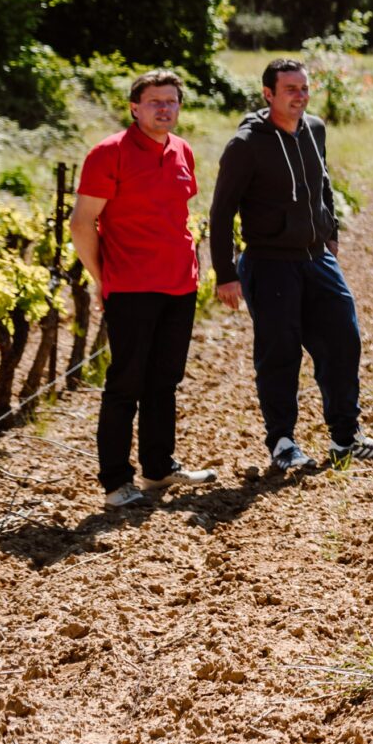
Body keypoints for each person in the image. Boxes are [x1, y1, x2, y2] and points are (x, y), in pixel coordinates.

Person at [209, 57, 373, 472]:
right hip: (269, 263)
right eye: (290, 89)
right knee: (280, 353)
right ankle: (283, 442)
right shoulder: (246, 145)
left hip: (316, 258)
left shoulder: (316, 129)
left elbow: (323, 181)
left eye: (304, 88)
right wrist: (226, 273)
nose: (300, 96)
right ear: (268, 94)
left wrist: (331, 232)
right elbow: (221, 212)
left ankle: (346, 438)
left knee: (344, 340)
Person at [72, 70, 216, 507]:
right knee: (125, 382)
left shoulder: (182, 152)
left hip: (179, 285)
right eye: (155, 101)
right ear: (134, 107)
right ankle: (116, 482)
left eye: (172, 101)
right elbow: (82, 224)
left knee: (164, 380)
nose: (165, 109)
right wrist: (105, 278)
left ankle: (158, 469)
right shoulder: (108, 153)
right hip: (131, 286)